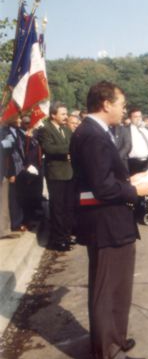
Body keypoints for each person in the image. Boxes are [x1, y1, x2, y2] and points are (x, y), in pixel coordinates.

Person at [70, 81, 148, 359]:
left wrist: (128, 180)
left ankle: (113, 338)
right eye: (121, 104)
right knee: (109, 291)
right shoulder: (92, 135)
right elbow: (102, 189)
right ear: (106, 104)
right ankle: (110, 354)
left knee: (116, 288)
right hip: (106, 223)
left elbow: (102, 179)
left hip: (107, 222)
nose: (124, 109)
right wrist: (134, 191)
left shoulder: (94, 131)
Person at [38, 102, 76, 251]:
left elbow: (74, 143)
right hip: (56, 174)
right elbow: (49, 148)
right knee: (58, 208)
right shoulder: (45, 130)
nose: (66, 117)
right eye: (63, 114)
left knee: (68, 207)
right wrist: (69, 150)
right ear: (53, 115)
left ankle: (66, 236)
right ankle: (58, 239)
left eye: (66, 114)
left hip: (69, 173)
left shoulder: (66, 129)